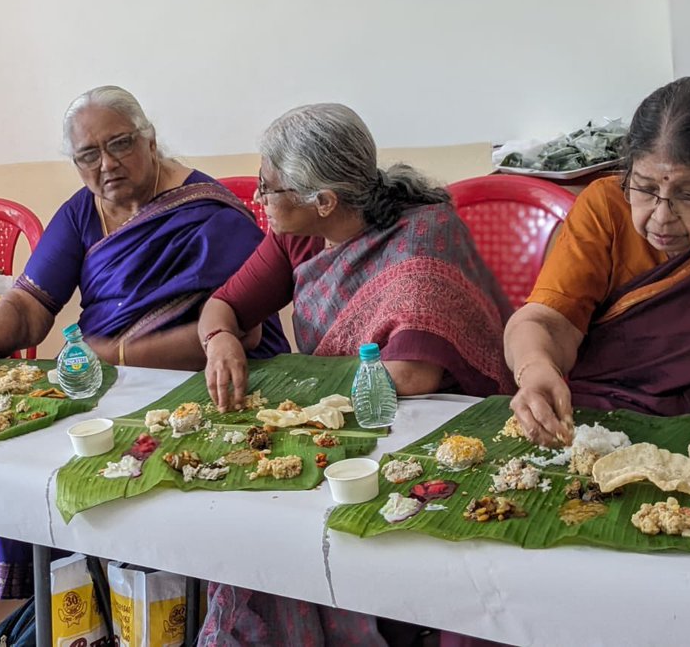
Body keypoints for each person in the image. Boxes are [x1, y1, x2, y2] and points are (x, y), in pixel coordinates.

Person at [0, 85, 287, 601]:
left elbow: (241, 330)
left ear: (149, 140)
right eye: (88, 155)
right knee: (32, 464)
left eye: (120, 144)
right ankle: (87, 609)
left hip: (208, 387)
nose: (107, 164)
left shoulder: (207, 211)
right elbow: (31, 306)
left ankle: (176, 609)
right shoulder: (83, 212)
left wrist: (115, 354)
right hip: (115, 386)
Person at [196, 103, 512, 646]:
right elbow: (222, 306)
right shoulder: (297, 234)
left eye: (268, 187)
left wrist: (299, 393)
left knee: (323, 525)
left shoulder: (424, 237)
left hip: (429, 431)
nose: (257, 199)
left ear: (323, 200)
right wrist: (221, 340)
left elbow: (411, 375)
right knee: (255, 523)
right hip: (344, 421)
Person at [504, 76, 690, 448]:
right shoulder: (606, 208)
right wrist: (536, 369)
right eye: (646, 188)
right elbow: (546, 321)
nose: (661, 216)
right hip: (609, 431)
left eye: (689, 194)